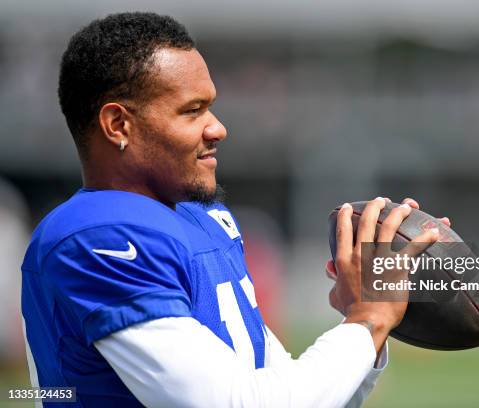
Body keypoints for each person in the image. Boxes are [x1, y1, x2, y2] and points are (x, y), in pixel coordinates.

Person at [21, 12, 443, 407]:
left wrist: (366, 319)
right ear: (118, 125)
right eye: (192, 111)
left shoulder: (203, 220)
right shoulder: (99, 237)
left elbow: (290, 394)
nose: (217, 127)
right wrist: (368, 319)